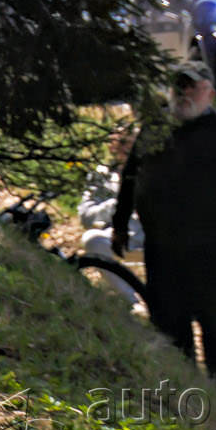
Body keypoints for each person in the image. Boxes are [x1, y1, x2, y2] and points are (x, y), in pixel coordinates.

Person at [113, 60, 216, 399]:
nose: (185, 92)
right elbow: (131, 176)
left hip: (214, 254)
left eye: (193, 86)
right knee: (170, 335)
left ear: (210, 93)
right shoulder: (155, 127)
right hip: (162, 251)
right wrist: (120, 223)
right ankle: (179, 399)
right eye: (180, 85)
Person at [79, 127, 142, 304]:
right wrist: (118, 204)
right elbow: (86, 216)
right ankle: (132, 302)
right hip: (118, 239)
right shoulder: (102, 175)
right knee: (92, 239)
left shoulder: (158, 173)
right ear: (112, 146)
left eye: (134, 144)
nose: (128, 149)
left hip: (159, 241)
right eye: (123, 142)